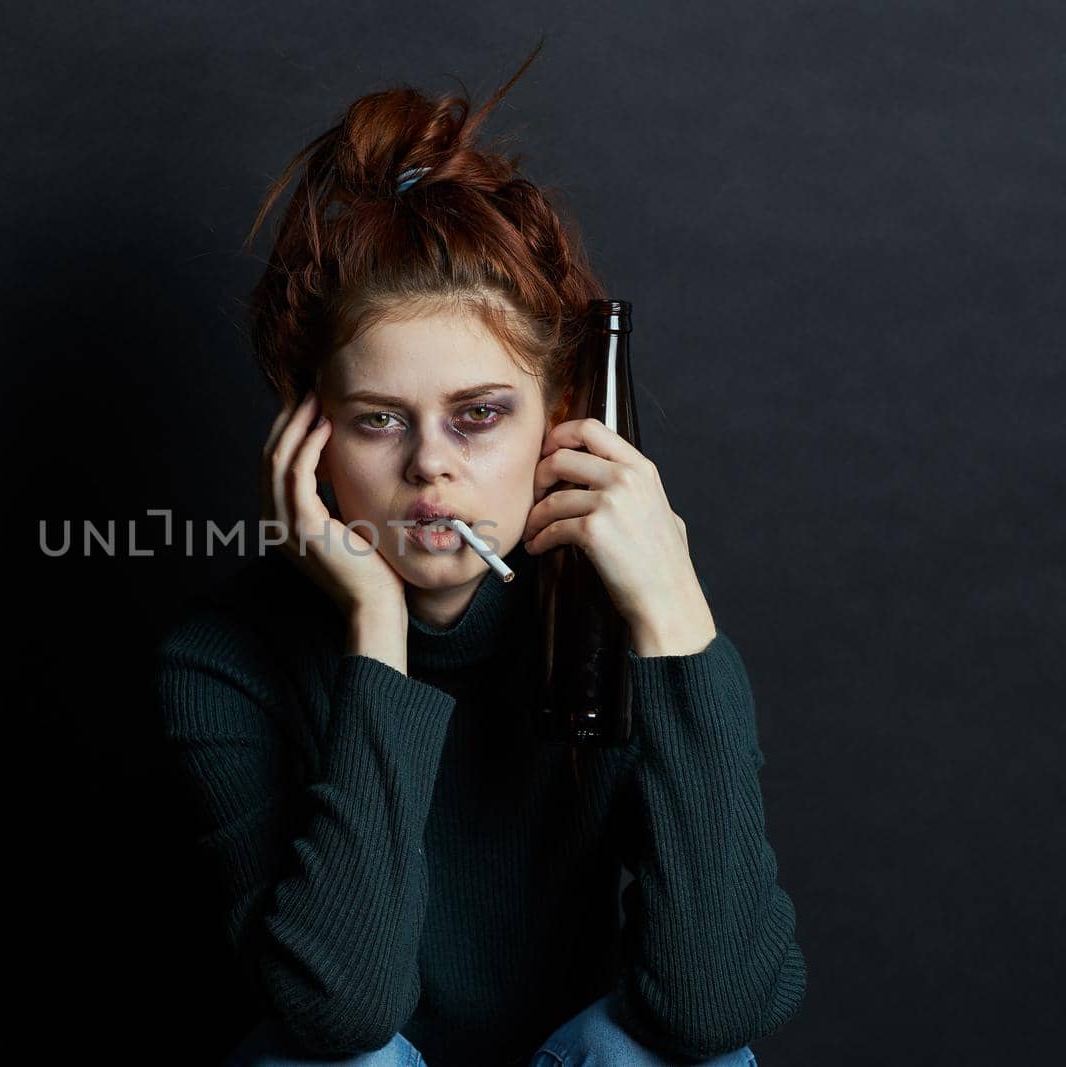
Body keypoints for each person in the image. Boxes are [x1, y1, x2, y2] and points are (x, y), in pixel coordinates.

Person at [155, 43, 806, 1067]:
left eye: (479, 415)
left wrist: (676, 623)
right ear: (309, 435)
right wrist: (377, 634)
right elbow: (339, 1014)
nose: (429, 469)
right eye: (378, 420)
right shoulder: (220, 658)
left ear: (560, 415)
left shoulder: (622, 623)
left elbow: (714, 1008)